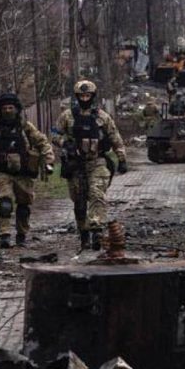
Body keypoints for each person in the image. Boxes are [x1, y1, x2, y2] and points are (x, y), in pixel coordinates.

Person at [56, 80, 127, 250]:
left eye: (87, 96)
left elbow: (115, 137)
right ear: (77, 97)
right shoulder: (67, 116)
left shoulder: (102, 117)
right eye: (81, 96)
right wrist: (65, 143)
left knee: (97, 194)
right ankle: (84, 234)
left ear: (93, 96)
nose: (84, 99)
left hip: (97, 162)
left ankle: (96, 229)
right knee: (79, 201)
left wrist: (122, 159)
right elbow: (54, 134)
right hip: (76, 164)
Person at [0, 93, 55, 249]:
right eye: (4, 108)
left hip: (24, 173)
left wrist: (49, 161)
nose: (7, 111)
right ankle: (4, 235)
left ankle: (21, 235)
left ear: (16, 109)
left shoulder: (26, 127)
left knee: (23, 206)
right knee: (5, 204)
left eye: (10, 108)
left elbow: (42, 142)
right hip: (3, 172)